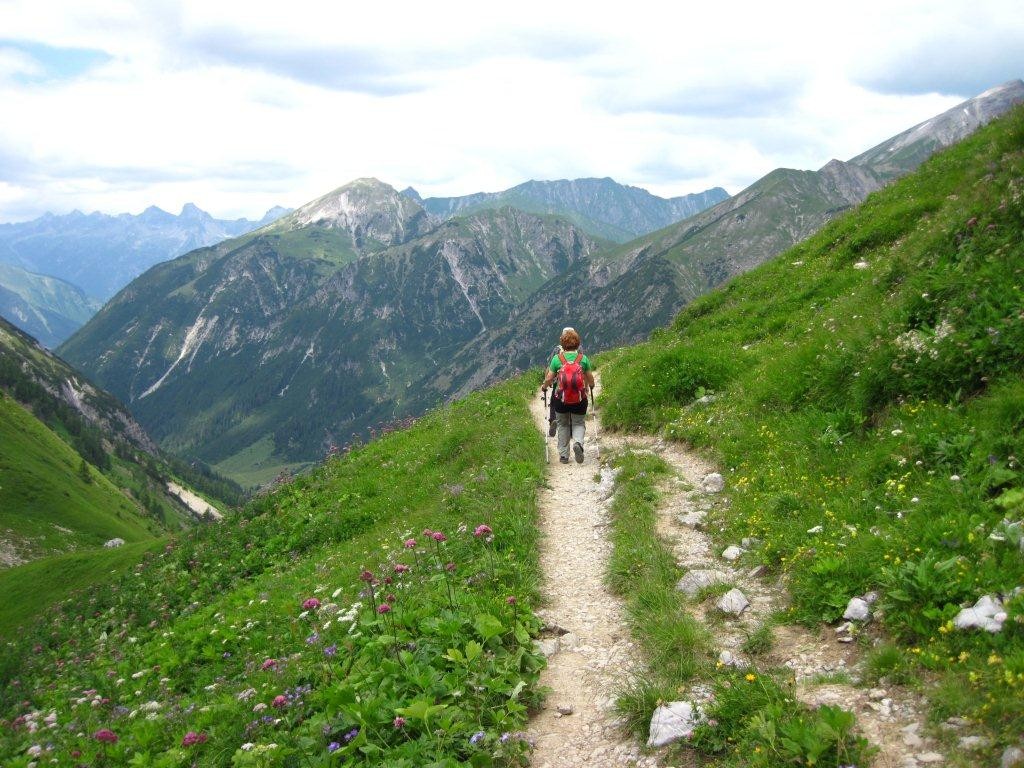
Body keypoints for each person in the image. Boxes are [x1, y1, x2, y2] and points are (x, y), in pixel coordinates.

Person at [541, 328, 595, 464]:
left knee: (563, 425)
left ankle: (564, 455)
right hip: (579, 399)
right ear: (577, 344)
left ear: (562, 344)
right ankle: (578, 443)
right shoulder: (583, 359)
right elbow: (590, 379)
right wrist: (591, 386)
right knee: (578, 423)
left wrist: (544, 386)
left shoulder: (557, 359)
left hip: (561, 400)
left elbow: (549, 378)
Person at [545, 327, 575, 437]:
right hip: (575, 383)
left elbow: (550, 367)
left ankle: (553, 419)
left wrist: (546, 383)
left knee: (554, 401)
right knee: (573, 402)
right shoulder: (578, 349)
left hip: (560, 383)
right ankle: (571, 429)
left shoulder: (557, 350)